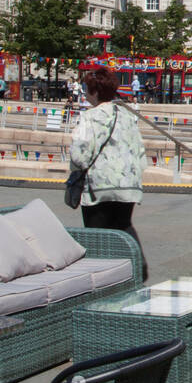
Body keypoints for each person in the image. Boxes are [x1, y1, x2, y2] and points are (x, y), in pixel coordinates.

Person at [71, 68, 149, 281]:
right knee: (124, 225)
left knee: (97, 234)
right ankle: (137, 268)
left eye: (87, 90)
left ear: (95, 92)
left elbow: (80, 156)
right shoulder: (127, 116)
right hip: (128, 184)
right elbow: (140, 151)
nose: (86, 94)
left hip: (100, 185)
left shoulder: (89, 117)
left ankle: (101, 279)